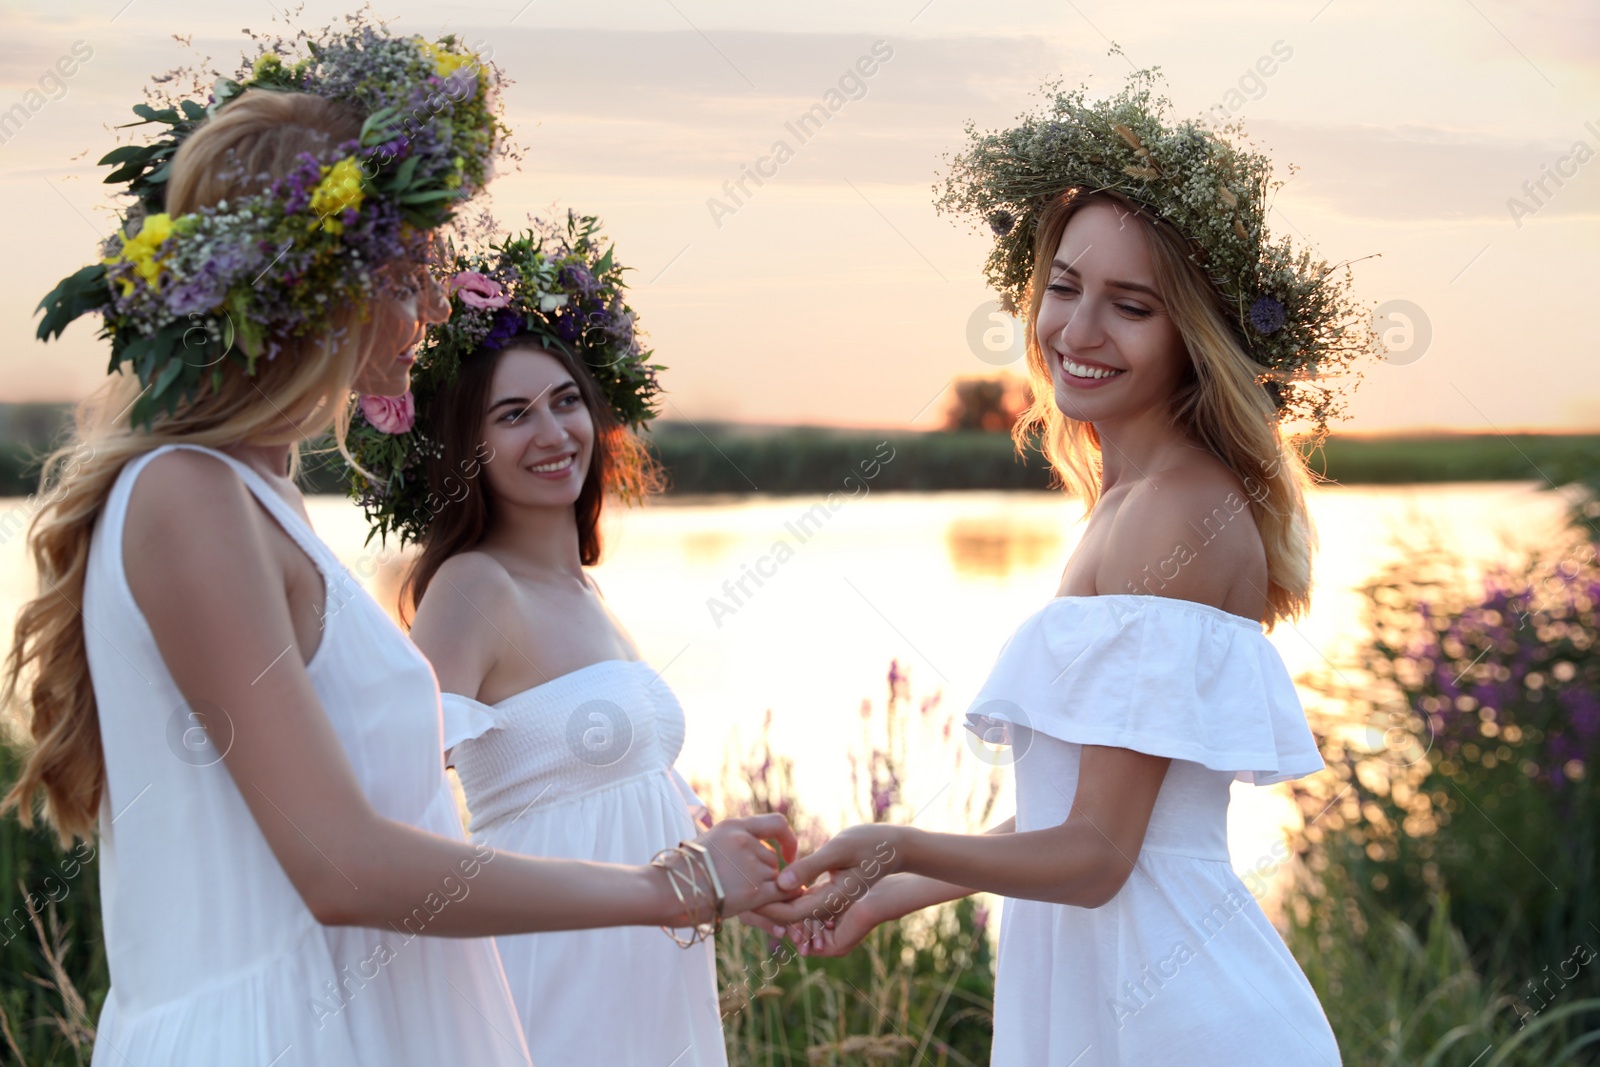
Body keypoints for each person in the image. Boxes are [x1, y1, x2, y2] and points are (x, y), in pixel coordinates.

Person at [7, 27, 794, 1067]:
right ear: (320, 282)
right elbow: (342, 866)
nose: (429, 307)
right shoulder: (183, 496)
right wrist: (671, 886)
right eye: (409, 269)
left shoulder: (262, 495)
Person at [763, 69, 1382, 1065]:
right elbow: (1069, 807)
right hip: (1115, 988)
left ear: (1194, 334)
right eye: (1062, 286)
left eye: (1129, 305)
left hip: (1170, 1014)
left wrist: (902, 841)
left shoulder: (1172, 511)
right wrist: (889, 893)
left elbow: (1097, 856)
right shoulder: (1129, 503)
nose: (1077, 331)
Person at [345, 217, 735, 1065]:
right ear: (467, 450)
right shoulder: (474, 588)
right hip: (555, 971)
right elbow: (384, 798)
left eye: (565, 402)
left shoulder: (583, 591)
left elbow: (626, 793)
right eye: (514, 415)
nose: (553, 433)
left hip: (651, 969)